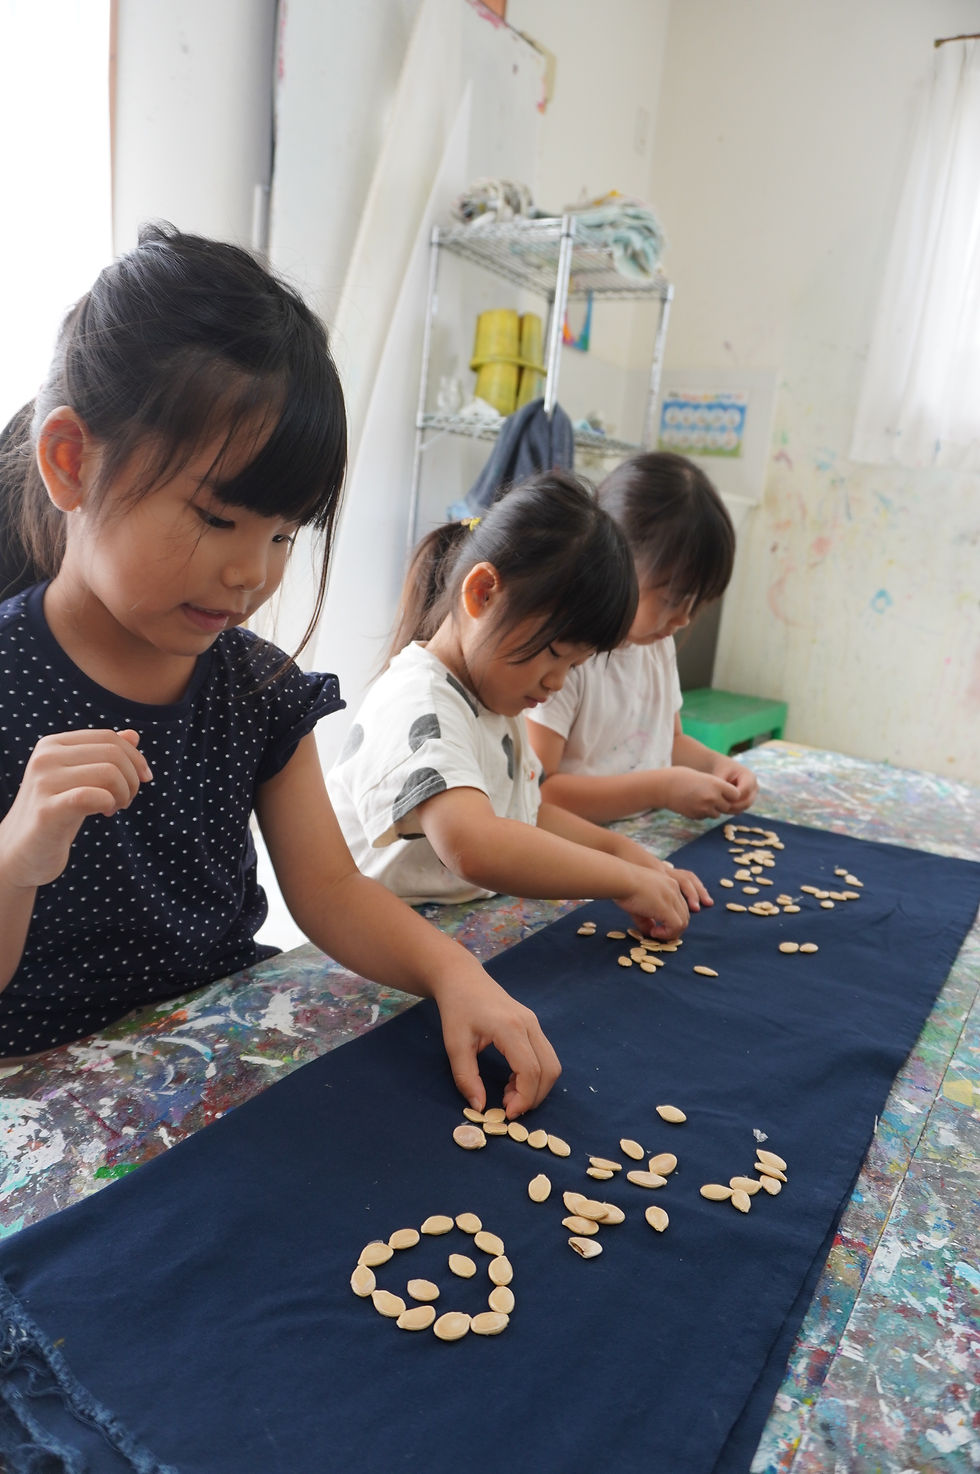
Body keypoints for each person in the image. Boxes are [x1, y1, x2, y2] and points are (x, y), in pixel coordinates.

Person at [0, 224, 559, 1119]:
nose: (251, 573)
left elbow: (330, 890)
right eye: (217, 518)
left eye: (284, 535)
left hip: (222, 1057)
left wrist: (453, 971)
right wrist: (17, 859)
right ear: (72, 463)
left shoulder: (255, 687)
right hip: (50, 1094)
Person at [327, 472, 711, 933]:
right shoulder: (419, 702)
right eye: (554, 653)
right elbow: (475, 845)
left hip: (452, 922)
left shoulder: (493, 698)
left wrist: (623, 854)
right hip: (376, 935)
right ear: (482, 593)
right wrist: (622, 880)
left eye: (574, 665)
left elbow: (527, 813)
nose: (557, 682)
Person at [526, 451, 759, 824]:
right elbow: (540, 791)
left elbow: (670, 740)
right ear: (614, 559)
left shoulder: (656, 644)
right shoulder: (565, 657)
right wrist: (660, 789)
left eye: (695, 603)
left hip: (643, 830)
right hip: (578, 841)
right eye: (671, 600)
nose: (683, 619)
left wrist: (718, 766)